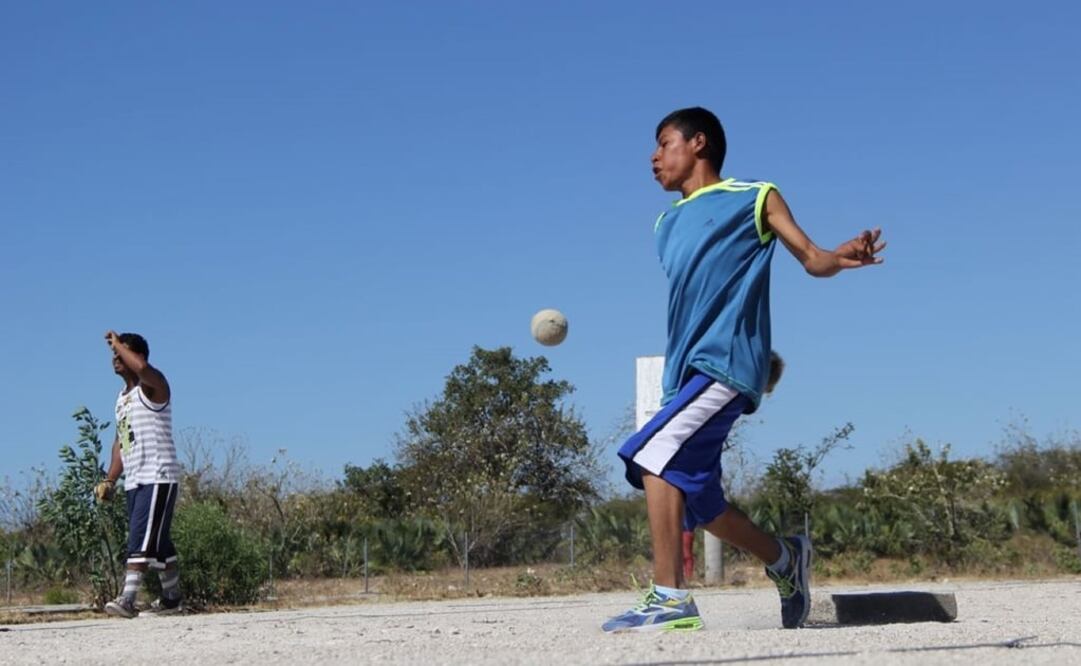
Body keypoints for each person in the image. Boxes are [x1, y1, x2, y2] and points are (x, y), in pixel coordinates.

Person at [603, 108, 884, 633]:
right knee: (703, 505)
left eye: (664, 143)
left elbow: (811, 257)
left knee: (650, 453)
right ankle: (785, 558)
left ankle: (669, 600)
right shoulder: (664, 224)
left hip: (726, 364)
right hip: (684, 377)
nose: (654, 156)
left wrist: (841, 255)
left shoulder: (754, 196)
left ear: (699, 144)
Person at [95, 331, 184, 617]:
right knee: (157, 541)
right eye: (114, 355)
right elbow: (121, 441)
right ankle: (171, 599)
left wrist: (118, 342)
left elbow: (144, 370)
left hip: (158, 474)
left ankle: (128, 599)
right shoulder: (122, 400)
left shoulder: (154, 387)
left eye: (121, 354)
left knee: (140, 538)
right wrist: (110, 479)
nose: (115, 359)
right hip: (135, 479)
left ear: (138, 356)